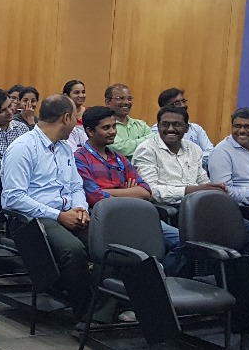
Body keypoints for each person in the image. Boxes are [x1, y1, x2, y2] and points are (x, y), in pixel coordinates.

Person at [0, 95, 93, 317]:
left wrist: (81, 209)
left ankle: (102, 310)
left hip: (67, 213)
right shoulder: (23, 148)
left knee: (109, 244)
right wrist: (58, 215)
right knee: (74, 251)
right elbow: (12, 198)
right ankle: (85, 317)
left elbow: (75, 186)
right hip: (31, 220)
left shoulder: (64, 148)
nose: (76, 122)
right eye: (75, 117)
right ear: (66, 118)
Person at [75, 106, 182, 271]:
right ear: (89, 131)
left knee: (182, 241)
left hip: (137, 215)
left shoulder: (118, 158)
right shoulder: (80, 158)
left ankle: (160, 285)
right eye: (106, 128)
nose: (112, 131)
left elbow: (145, 191)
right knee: (141, 252)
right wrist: (129, 193)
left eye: (114, 126)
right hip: (106, 220)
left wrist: (108, 191)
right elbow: (94, 197)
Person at [132, 106, 226, 209]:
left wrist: (213, 189)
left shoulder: (194, 149)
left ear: (186, 128)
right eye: (165, 125)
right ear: (158, 126)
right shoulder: (147, 149)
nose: (170, 129)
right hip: (166, 209)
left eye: (176, 125)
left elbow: (202, 181)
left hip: (198, 205)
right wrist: (191, 190)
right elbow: (150, 190)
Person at [208, 108, 249, 208]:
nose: (242, 131)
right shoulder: (221, 152)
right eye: (237, 126)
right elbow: (223, 191)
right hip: (239, 209)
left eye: (247, 126)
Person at [154, 88, 214, 158]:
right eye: (177, 103)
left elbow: (210, 152)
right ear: (164, 108)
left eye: (183, 101)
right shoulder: (158, 130)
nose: (183, 105)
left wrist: (193, 160)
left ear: (186, 128)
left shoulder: (196, 129)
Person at [104, 83, 152, 158]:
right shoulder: (105, 127)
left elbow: (155, 141)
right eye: (120, 98)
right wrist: (147, 141)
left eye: (129, 99)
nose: (126, 102)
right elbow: (122, 149)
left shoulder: (140, 124)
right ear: (108, 102)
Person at [62, 79, 87, 147]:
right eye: (77, 93)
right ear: (66, 95)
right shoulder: (61, 115)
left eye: (83, 92)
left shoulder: (90, 113)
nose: (81, 95)